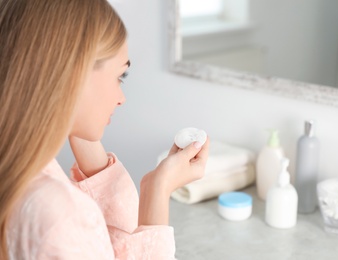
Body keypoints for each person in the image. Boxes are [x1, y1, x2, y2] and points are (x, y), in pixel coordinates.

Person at [0, 0, 209, 259]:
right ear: (72, 76)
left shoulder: (18, 172)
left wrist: (66, 113)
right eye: (120, 76)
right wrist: (159, 191)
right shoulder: (59, 215)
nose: (121, 98)